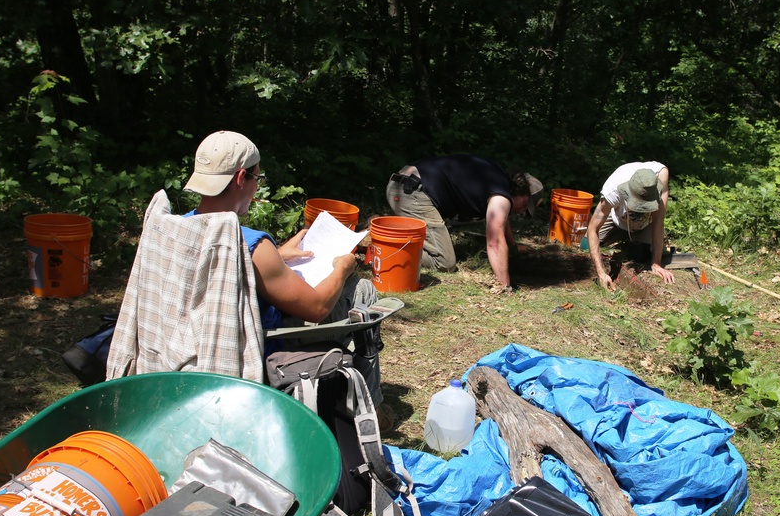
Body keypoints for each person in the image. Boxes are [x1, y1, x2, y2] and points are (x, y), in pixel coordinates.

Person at [182, 130, 385, 406]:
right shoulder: (252, 244)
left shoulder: (179, 226)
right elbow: (316, 308)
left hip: (195, 347)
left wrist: (278, 255)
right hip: (260, 348)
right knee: (363, 290)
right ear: (242, 178)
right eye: (257, 178)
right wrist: (342, 267)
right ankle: (369, 406)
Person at [385, 154, 543, 290]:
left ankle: (388, 230)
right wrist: (505, 286)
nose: (522, 211)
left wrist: (513, 248)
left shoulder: (497, 177)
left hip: (406, 183)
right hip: (411, 193)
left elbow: (501, 221)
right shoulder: (501, 197)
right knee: (444, 263)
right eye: (525, 206)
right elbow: (494, 241)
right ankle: (384, 249)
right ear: (520, 191)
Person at [585, 161, 675, 290]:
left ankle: (633, 242)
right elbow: (593, 228)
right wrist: (601, 273)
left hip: (643, 225)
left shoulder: (661, 176)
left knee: (638, 256)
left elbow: (658, 222)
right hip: (617, 219)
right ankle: (622, 237)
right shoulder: (613, 191)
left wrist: (656, 264)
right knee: (585, 244)